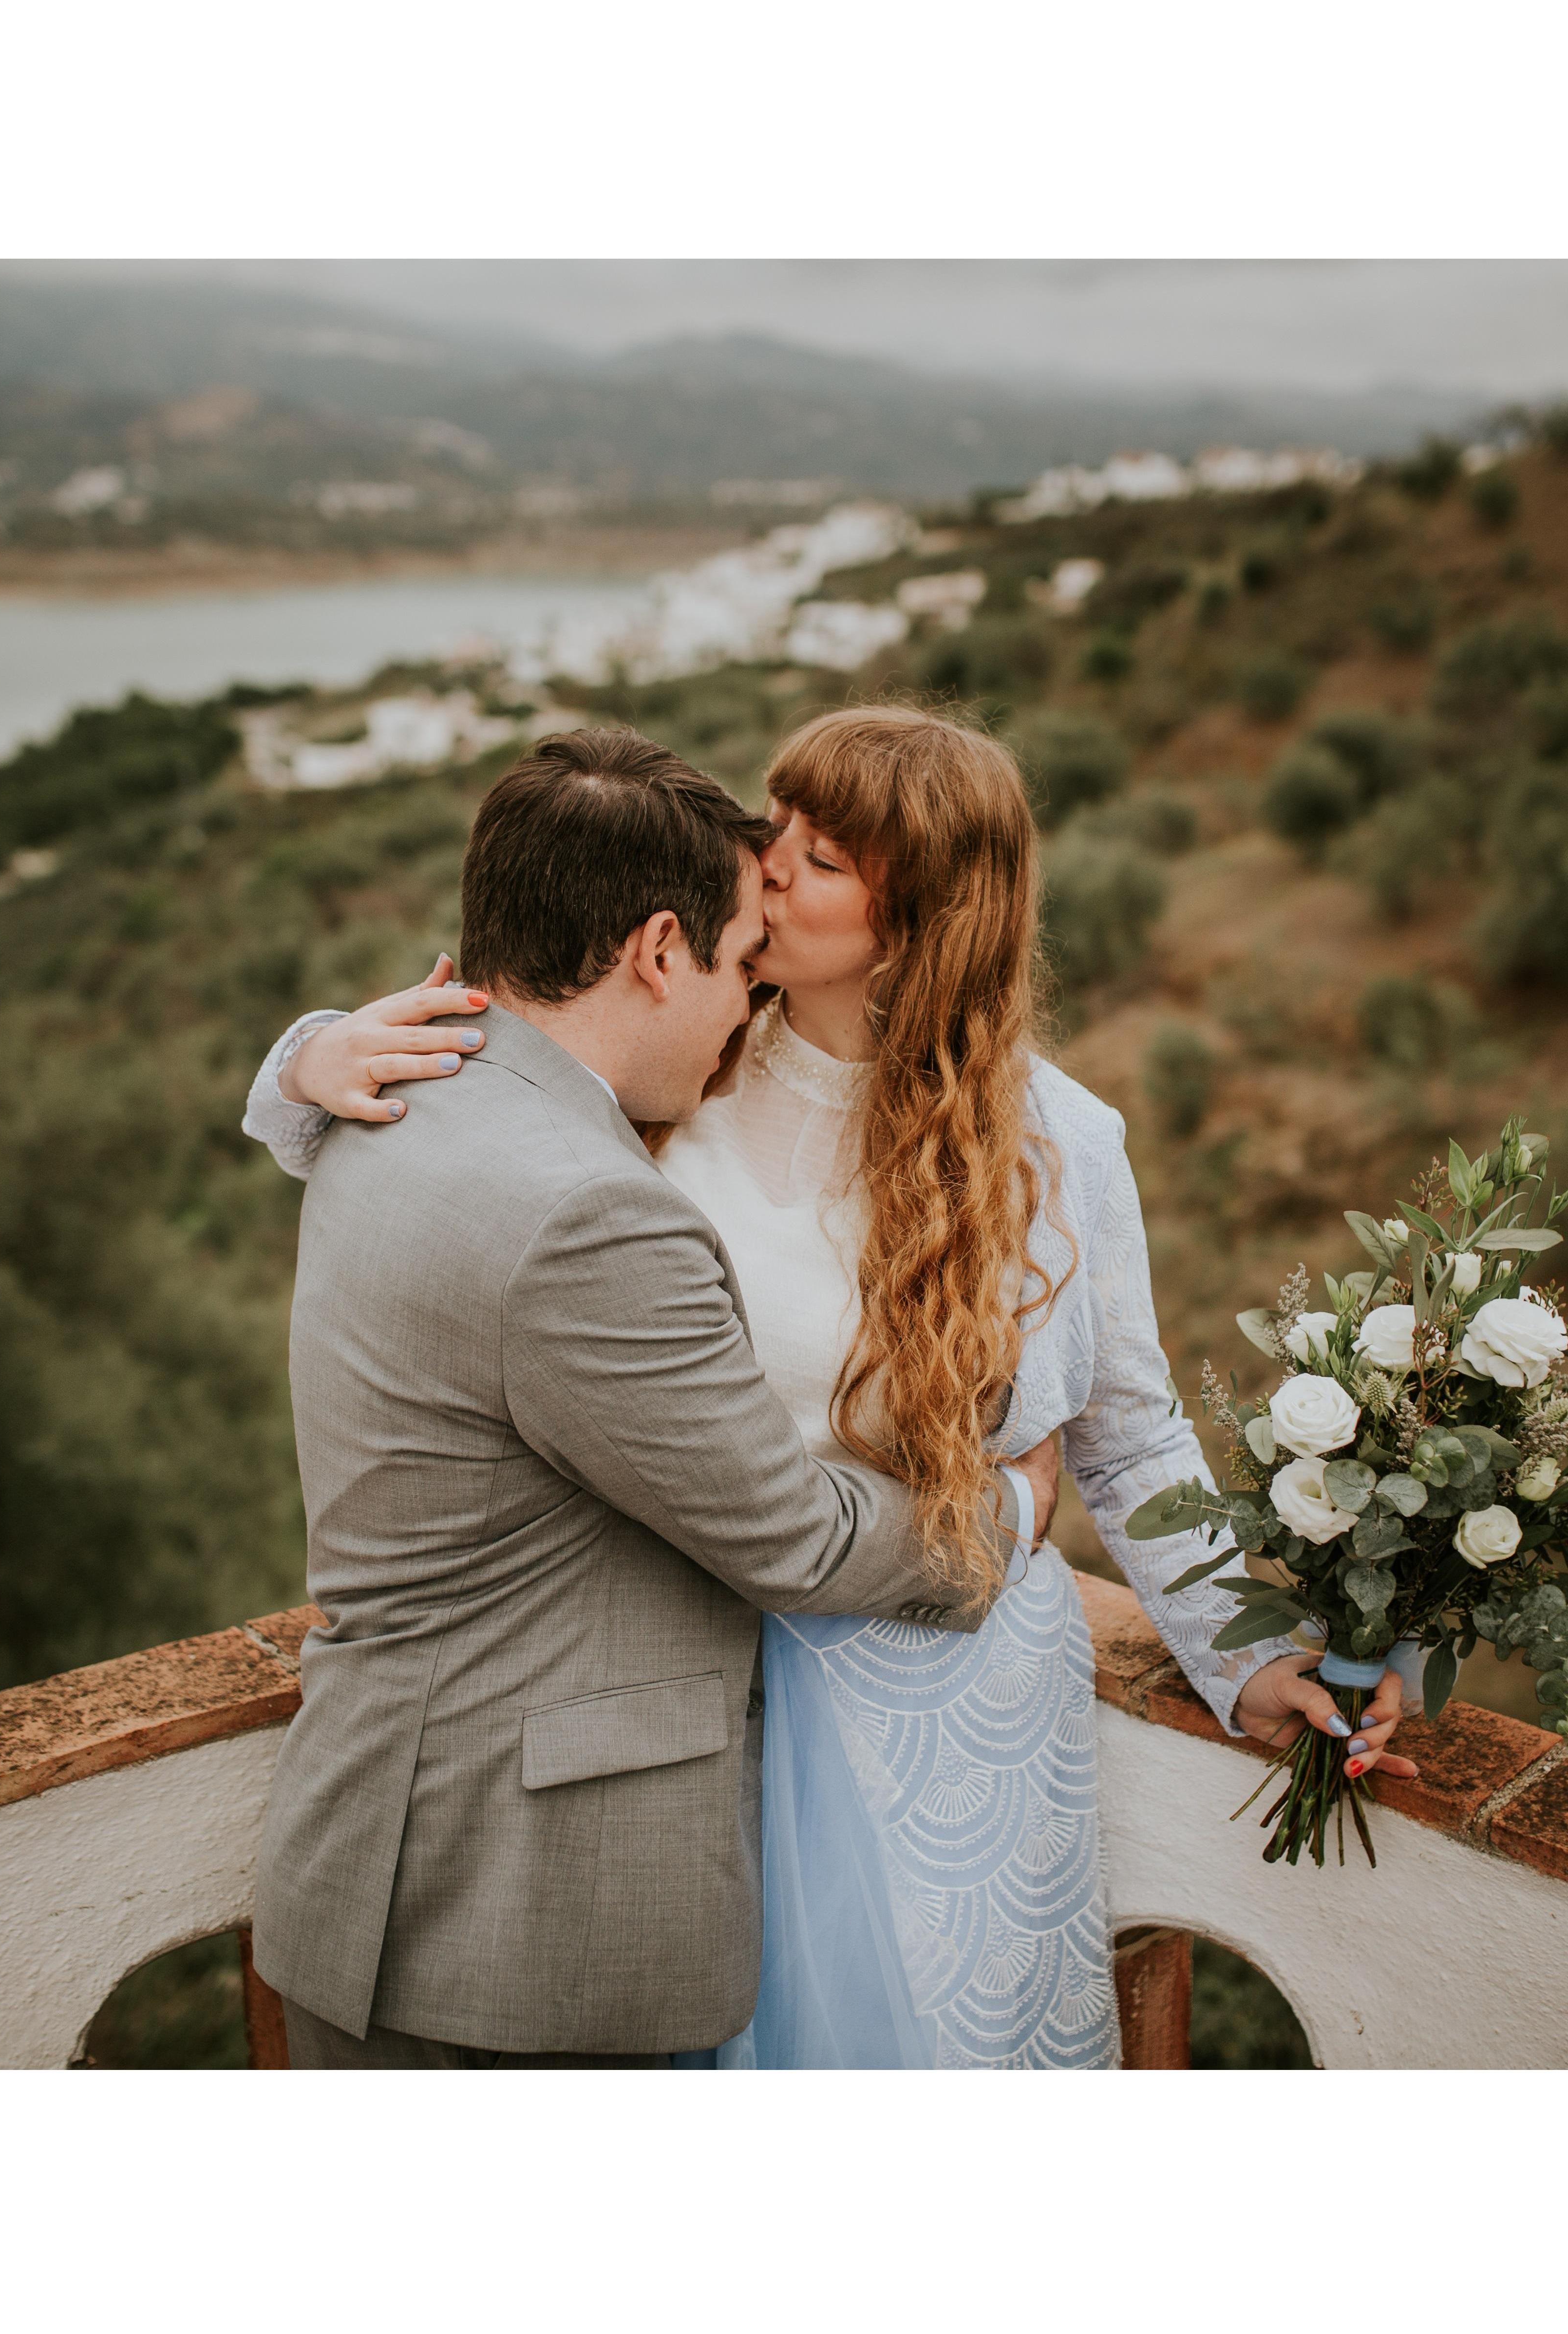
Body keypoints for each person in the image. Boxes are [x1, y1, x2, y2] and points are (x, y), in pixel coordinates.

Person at [250, 708, 1417, 2068]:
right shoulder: (676, 1070)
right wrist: (304, 1062)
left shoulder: (1060, 1143)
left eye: (823, 853)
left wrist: (1248, 1653)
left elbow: (1134, 1431)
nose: (767, 860)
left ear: (917, 919)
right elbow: (507, 1048)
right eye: (779, 822)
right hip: (711, 1685)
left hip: (950, 1695)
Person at [244, 727, 1005, 2070]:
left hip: (367, 1864)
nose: (737, 1012)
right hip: (518, 1928)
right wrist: (989, 1519)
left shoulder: (385, 1101)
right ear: (659, 950)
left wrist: (301, 1053)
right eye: (728, 964)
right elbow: (788, 1536)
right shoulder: (591, 1213)